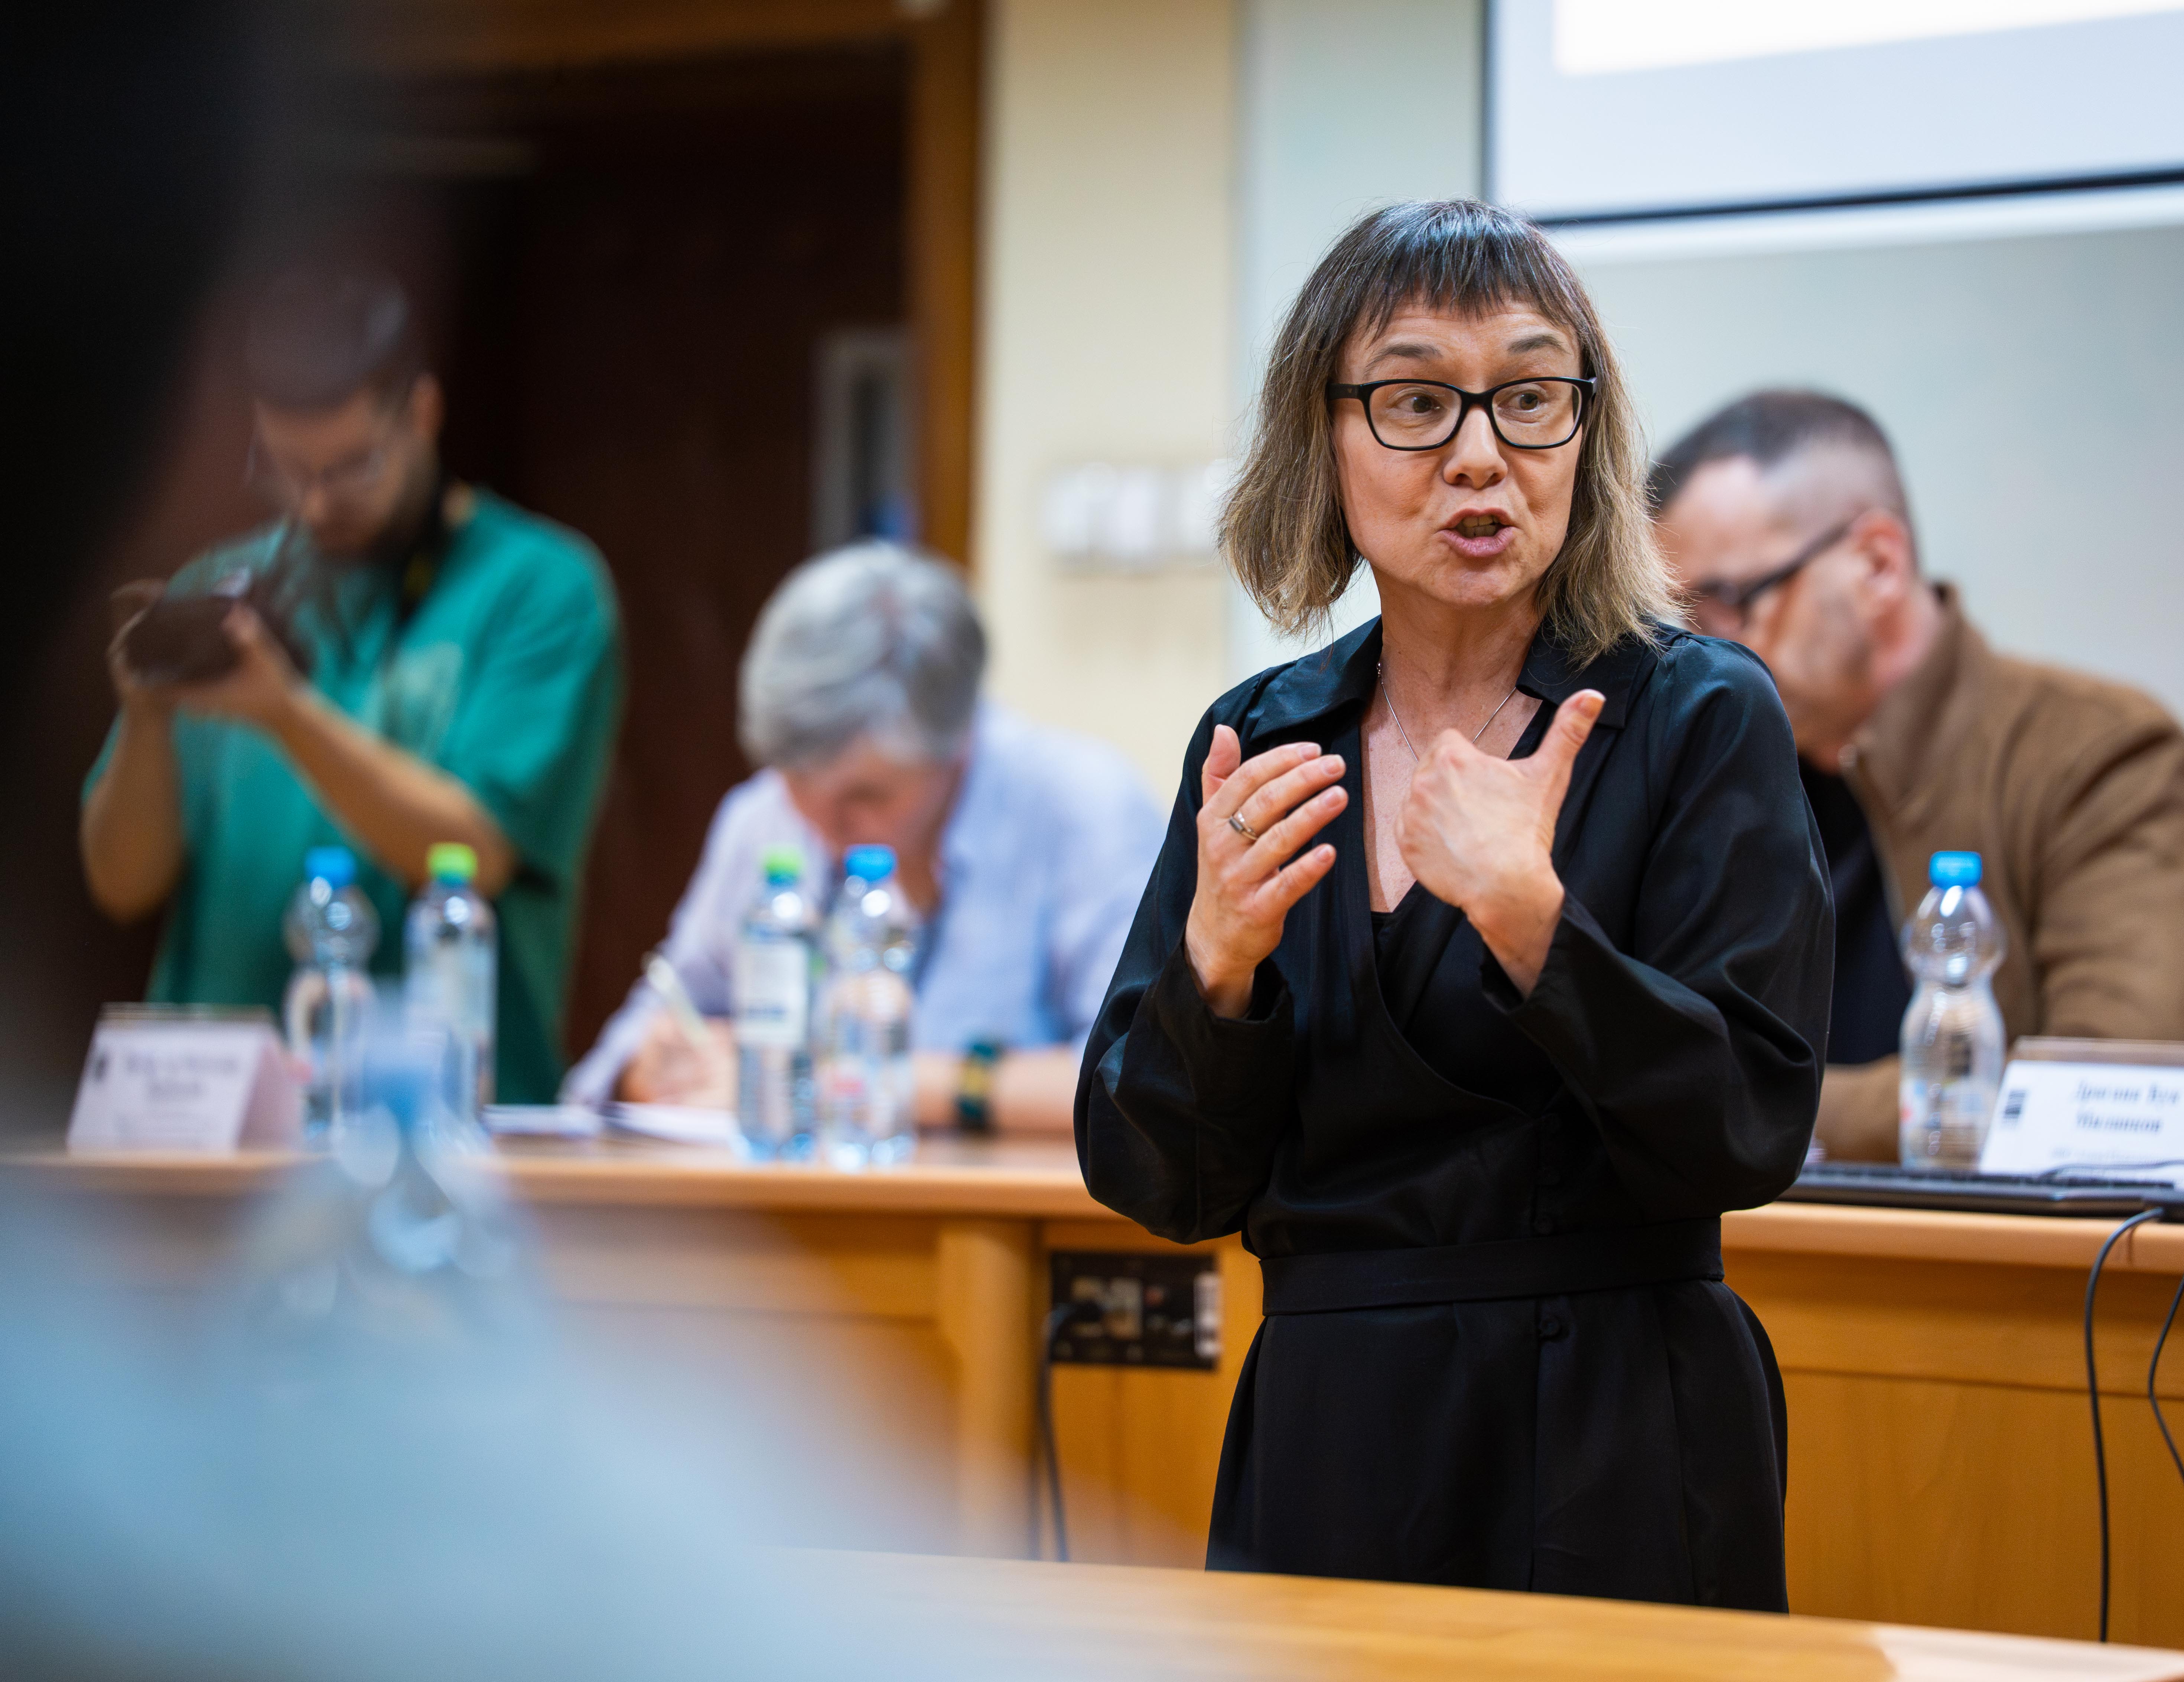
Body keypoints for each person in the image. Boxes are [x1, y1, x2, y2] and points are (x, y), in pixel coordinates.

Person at [1077, 202, 1830, 1606]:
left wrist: (1534, 925)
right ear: (1324, 439)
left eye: (1530, 399)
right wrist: (1217, 969)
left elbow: (1749, 1128)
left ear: (1587, 433)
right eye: (1417, 403)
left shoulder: (1697, 712)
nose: (1480, 455)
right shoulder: (1266, 736)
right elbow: (1157, 1182)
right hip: (1329, 1429)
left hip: (1615, 1424)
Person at [1648, 389, 2184, 1171]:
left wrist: (1753, 1106)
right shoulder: (1716, 778)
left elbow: (2123, 1095)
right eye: (1681, 626)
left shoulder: (2105, 758)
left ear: (1878, 565)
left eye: (1728, 605)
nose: (1703, 657)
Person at [81, 264, 623, 1103]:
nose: (315, 502)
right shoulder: (220, 585)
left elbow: (471, 853)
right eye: (287, 469)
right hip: (210, 1111)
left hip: (442, 1115)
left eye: (350, 467)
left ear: (423, 414)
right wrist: (147, 717)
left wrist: (286, 714)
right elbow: (122, 883)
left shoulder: (541, 588)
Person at [569, 543, 1163, 1134]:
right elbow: (632, 1044)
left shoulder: (1084, 809)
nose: (824, 828)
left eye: (867, 797)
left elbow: (1143, 1079)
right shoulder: (764, 816)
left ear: (959, 742)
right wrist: (650, 1071)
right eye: (797, 783)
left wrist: (861, 1082)